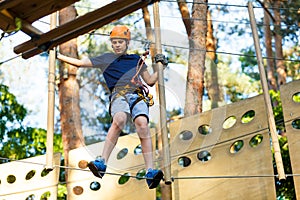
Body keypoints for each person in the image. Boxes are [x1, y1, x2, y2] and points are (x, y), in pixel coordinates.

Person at [57, 25, 168, 189]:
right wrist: (58, 56)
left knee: (143, 125)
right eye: (114, 42)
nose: (117, 45)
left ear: (127, 43)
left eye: (120, 42)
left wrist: (161, 67)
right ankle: (102, 162)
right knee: (120, 119)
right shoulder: (106, 58)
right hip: (119, 94)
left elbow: (150, 80)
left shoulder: (136, 60)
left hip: (137, 94)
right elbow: (80, 63)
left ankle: (150, 171)